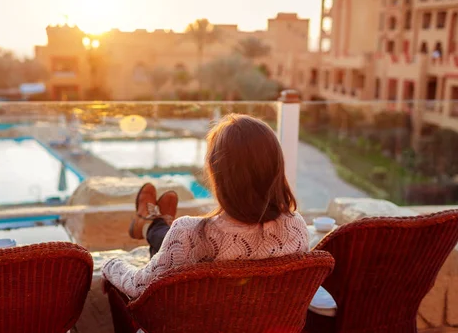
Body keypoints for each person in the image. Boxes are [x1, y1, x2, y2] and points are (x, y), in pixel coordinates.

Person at [102, 114, 309, 299]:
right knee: (176, 244)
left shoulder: (191, 233)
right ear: (276, 166)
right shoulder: (295, 227)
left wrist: (111, 264)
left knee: (176, 243)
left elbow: (138, 286)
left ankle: (150, 224)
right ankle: (151, 224)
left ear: (217, 172)